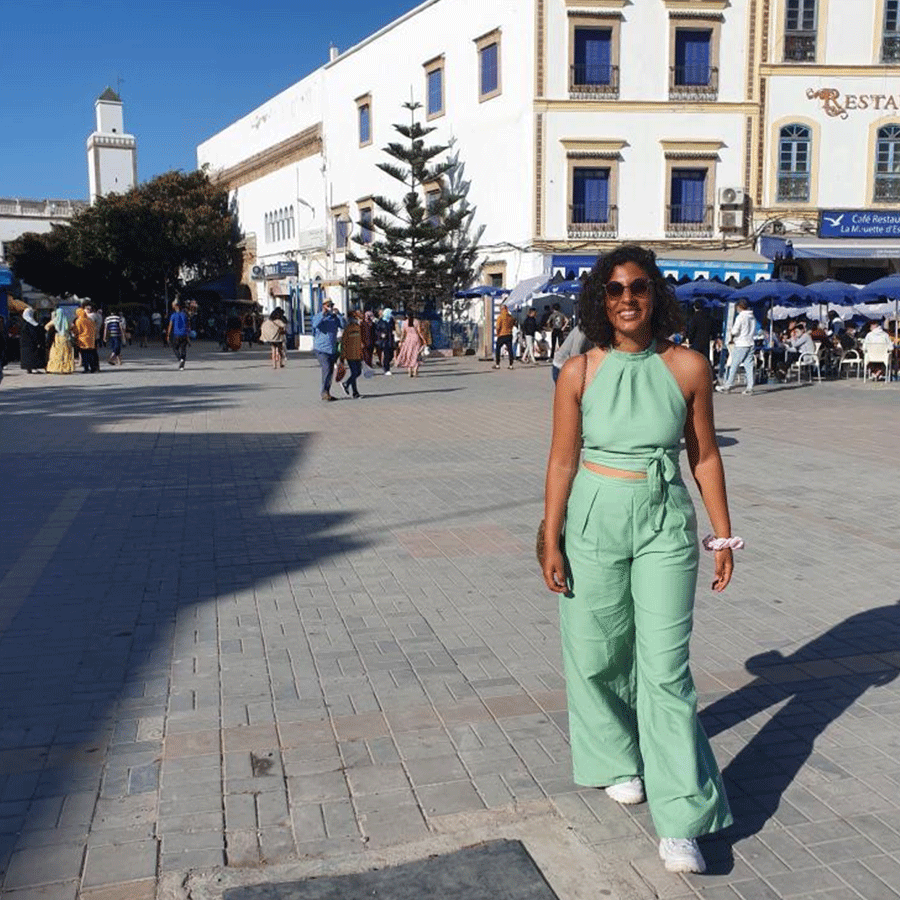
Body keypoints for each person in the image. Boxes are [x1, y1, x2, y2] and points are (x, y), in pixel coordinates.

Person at [543, 244, 735, 876]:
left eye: (640, 288)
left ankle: (681, 818)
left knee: (665, 672)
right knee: (595, 652)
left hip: (662, 520)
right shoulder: (579, 371)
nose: (628, 298)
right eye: (616, 289)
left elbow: (703, 455)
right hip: (594, 514)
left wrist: (723, 533)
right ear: (601, 299)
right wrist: (550, 533)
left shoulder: (687, 367)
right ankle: (621, 756)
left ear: (657, 296)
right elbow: (562, 460)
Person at [715, 300, 757, 394]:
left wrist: (732, 333)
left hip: (741, 343)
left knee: (734, 365)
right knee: (749, 365)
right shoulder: (752, 317)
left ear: (739, 307)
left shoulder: (740, 317)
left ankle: (727, 386)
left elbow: (734, 331)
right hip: (750, 342)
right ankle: (750, 387)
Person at [312, 299, 346, 399]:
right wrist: (323, 314)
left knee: (330, 371)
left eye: (331, 305)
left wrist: (338, 314)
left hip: (332, 349)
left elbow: (343, 325)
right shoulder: (319, 316)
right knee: (326, 368)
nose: (330, 307)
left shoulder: (334, 318)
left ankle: (327, 391)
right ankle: (324, 392)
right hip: (321, 349)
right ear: (323, 306)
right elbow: (315, 324)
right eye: (328, 305)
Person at [339, 310, 364, 398]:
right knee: (355, 372)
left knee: (358, 372)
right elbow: (344, 343)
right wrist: (342, 357)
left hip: (357, 354)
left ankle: (347, 384)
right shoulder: (348, 329)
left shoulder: (358, 327)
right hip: (350, 354)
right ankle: (354, 392)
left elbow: (359, 341)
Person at [395, 311, 428, 377]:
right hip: (416, 339)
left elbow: (403, 333)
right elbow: (419, 332)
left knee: (409, 355)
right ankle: (415, 370)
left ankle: (409, 371)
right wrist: (424, 340)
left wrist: (401, 341)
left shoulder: (404, 322)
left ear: (407, 315)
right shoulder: (416, 321)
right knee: (415, 355)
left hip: (408, 339)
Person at [46, 308, 74, 375]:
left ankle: (56, 368)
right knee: (66, 353)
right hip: (65, 337)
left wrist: (51, 331)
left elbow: (46, 326)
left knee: (57, 352)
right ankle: (66, 368)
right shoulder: (66, 320)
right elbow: (72, 326)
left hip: (58, 338)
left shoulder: (55, 320)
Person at [19, 307, 47, 374]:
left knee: (27, 356)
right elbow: (34, 333)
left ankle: (29, 368)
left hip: (24, 344)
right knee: (32, 355)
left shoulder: (24, 322)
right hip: (31, 343)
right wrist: (38, 340)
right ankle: (33, 367)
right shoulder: (31, 323)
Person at [685, 300, 713, 365]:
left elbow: (692, 330)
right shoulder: (708, 318)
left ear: (694, 307)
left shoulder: (694, 318)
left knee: (695, 359)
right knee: (704, 360)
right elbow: (712, 330)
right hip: (706, 342)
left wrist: (690, 340)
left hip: (696, 342)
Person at [72, 306, 98, 373]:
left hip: (83, 340)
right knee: (91, 354)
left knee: (84, 355)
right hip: (91, 340)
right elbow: (94, 329)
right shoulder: (90, 320)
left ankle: (86, 368)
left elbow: (78, 331)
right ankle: (93, 368)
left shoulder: (79, 321)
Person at [167, 300, 190, 369]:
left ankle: (180, 359)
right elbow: (188, 325)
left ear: (176, 306)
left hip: (176, 334)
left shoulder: (173, 315)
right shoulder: (185, 315)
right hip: (184, 334)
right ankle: (182, 363)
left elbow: (170, 326)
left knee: (175, 347)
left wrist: (168, 335)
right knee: (183, 349)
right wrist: (188, 335)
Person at [493, 303, 515, 369]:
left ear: (502, 309)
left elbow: (498, 327)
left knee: (498, 349)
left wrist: (498, 334)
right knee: (510, 349)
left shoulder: (500, 317)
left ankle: (497, 364)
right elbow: (512, 325)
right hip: (509, 334)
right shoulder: (511, 317)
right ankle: (511, 365)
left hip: (502, 335)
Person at [375, 307, 395, 375]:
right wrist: (381, 334)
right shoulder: (380, 321)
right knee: (386, 354)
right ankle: (387, 369)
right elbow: (377, 330)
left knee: (391, 354)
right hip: (384, 340)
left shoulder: (391, 320)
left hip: (391, 339)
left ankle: (385, 364)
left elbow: (394, 328)